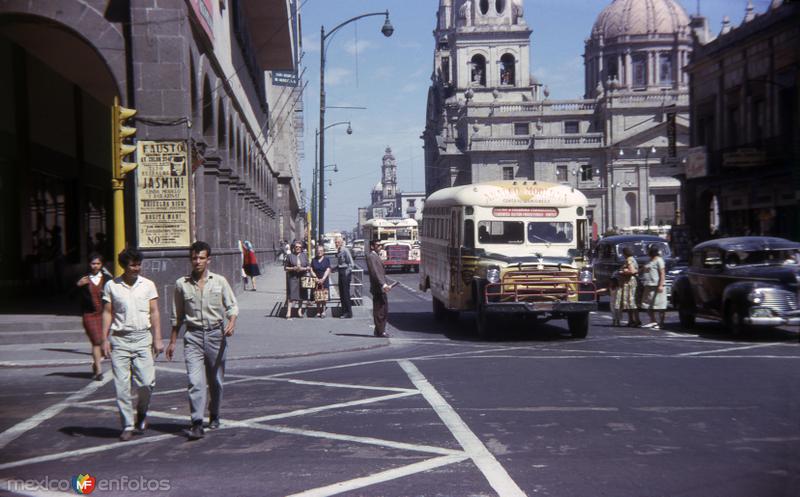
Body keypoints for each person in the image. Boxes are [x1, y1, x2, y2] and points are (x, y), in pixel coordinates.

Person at [167, 241, 238, 440]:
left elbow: (232, 306)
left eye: (201, 258)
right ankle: (196, 422)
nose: (197, 261)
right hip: (193, 337)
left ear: (209, 260)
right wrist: (172, 341)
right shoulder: (182, 284)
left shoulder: (220, 282)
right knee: (195, 381)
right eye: (194, 258)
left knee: (216, 381)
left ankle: (214, 413)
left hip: (216, 335)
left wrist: (231, 322)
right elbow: (177, 315)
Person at [101, 248, 163, 442]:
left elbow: (154, 312)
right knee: (122, 386)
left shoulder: (148, 285)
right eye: (133, 265)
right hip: (119, 339)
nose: (137, 268)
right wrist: (104, 339)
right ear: (123, 266)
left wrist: (158, 338)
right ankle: (128, 424)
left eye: (138, 264)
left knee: (146, 382)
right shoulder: (112, 285)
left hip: (143, 338)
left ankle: (142, 413)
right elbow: (107, 313)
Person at [75, 253, 112, 381]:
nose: (95, 266)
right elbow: (70, 297)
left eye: (98, 263)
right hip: (90, 314)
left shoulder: (107, 279)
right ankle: (99, 371)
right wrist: (78, 285)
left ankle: (96, 363)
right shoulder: (83, 278)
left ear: (101, 265)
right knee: (96, 341)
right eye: (93, 263)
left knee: (103, 341)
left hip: (104, 314)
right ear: (89, 264)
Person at [366, 239, 392, 337]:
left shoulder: (376, 256)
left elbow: (380, 272)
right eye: (378, 245)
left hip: (380, 287)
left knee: (383, 309)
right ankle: (380, 331)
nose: (380, 247)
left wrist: (386, 283)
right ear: (372, 246)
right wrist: (383, 284)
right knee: (380, 310)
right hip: (378, 288)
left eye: (381, 245)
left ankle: (379, 330)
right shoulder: (372, 256)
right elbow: (375, 272)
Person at [639, 245, 667, 329]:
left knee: (660, 306)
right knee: (648, 305)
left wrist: (661, 285)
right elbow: (643, 269)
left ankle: (661, 323)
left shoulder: (659, 260)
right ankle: (653, 321)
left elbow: (662, 273)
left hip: (656, 286)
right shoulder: (649, 260)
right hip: (648, 285)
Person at [284, 240, 309, 319]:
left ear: (302, 248)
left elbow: (309, 266)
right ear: (294, 247)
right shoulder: (290, 256)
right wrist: (293, 268)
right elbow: (285, 267)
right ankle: (289, 311)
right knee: (291, 294)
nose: (298, 248)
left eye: (299, 247)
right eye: (296, 247)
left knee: (301, 294)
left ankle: (300, 310)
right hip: (293, 277)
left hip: (302, 276)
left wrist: (304, 268)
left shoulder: (304, 255)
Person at [619, 246, 641, 327]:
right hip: (632, 281)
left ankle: (635, 320)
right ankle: (632, 320)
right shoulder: (633, 259)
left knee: (631, 301)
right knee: (631, 302)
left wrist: (623, 271)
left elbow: (632, 271)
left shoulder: (629, 260)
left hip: (629, 282)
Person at [334, 236, 355, 319]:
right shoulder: (339, 251)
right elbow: (340, 264)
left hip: (345, 273)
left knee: (346, 294)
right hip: (340, 272)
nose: (336, 244)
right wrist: (334, 269)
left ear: (342, 242)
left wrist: (347, 273)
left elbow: (351, 264)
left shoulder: (345, 250)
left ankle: (348, 313)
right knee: (342, 293)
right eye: (335, 242)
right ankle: (344, 311)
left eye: (338, 242)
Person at [310, 245, 332, 318]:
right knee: (317, 295)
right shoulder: (314, 260)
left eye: (321, 251)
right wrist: (315, 278)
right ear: (316, 251)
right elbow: (311, 269)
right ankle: (318, 311)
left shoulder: (326, 260)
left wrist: (323, 278)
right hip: (316, 280)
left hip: (324, 280)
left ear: (323, 252)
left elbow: (328, 269)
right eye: (318, 251)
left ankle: (323, 311)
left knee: (324, 296)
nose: (319, 252)